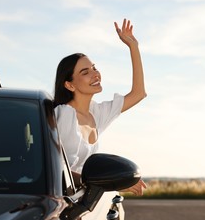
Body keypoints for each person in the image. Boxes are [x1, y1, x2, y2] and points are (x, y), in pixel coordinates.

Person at [53, 19, 147, 195]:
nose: (95, 74)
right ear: (69, 85)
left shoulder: (97, 113)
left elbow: (139, 94)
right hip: (61, 200)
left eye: (94, 68)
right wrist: (110, 184)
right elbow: (56, 169)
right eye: (85, 72)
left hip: (84, 196)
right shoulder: (64, 114)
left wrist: (133, 46)